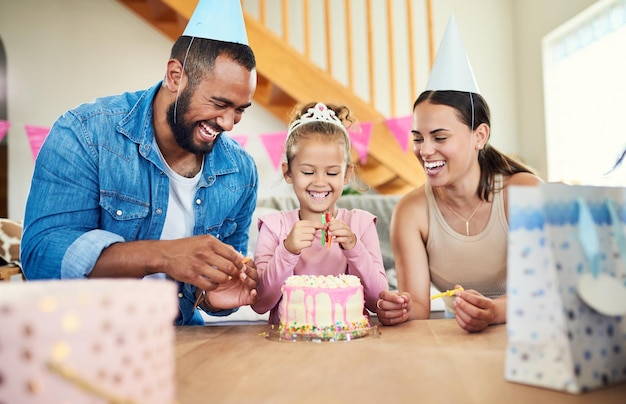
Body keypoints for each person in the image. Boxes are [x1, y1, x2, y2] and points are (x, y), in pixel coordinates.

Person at [20, 0, 259, 326]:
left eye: (240, 110)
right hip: (88, 341)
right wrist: (164, 255)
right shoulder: (86, 134)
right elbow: (42, 255)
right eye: (219, 103)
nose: (230, 123)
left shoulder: (240, 172)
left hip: (184, 338)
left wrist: (213, 296)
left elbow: (217, 287)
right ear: (176, 76)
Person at [375, 16, 542, 332]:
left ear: (480, 136)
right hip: (461, 338)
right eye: (418, 137)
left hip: (532, 335)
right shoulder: (411, 212)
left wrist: (492, 312)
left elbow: (542, 292)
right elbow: (419, 308)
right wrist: (398, 309)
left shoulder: (523, 192)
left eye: (440, 137)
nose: (425, 151)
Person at [251, 102, 389, 323]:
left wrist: (354, 248)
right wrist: (287, 250)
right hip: (287, 349)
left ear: (346, 175)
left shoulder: (360, 224)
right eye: (307, 171)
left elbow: (378, 300)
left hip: (349, 346)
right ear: (288, 173)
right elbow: (260, 303)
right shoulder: (274, 226)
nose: (319, 182)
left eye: (332, 173)